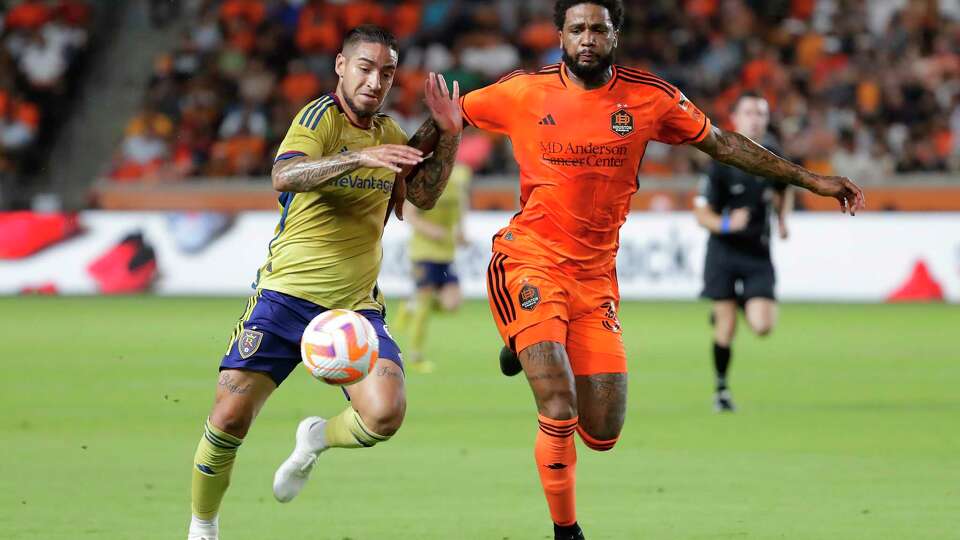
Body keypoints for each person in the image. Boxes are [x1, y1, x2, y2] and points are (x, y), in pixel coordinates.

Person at [459, 2, 864, 538]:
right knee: (557, 403)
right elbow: (449, 117)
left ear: (615, 34)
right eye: (576, 29)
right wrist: (409, 168)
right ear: (560, 33)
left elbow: (721, 143)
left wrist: (808, 179)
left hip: (595, 277)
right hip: (529, 258)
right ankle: (566, 530)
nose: (586, 39)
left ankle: (525, 342)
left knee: (602, 432)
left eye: (598, 29)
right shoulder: (520, 91)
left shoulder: (648, 98)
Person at [186, 25, 462, 540]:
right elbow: (284, 175)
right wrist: (359, 158)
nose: (376, 81)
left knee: (385, 415)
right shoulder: (317, 119)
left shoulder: (391, 134)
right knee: (227, 420)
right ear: (340, 65)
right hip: (285, 299)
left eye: (386, 72)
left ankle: (315, 439)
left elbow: (422, 196)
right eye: (365, 67)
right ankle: (203, 527)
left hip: (355, 309)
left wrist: (449, 131)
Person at [693, 92, 793, 412]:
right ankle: (721, 390)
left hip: (757, 253)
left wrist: (782, 220)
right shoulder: (721, 158)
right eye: (749, 112)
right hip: (723, 252)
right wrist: (725, 224)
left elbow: (784, 188)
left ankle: (735, 303)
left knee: (763, 326)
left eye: (762, 113)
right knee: (726, 328)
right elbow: (700, 213)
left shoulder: (774, 155)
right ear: (735, 117)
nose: (756, 119)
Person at [395, 161, 471, 373]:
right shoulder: (424, 180)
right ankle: (416, 356)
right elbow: (409, 214)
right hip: (423, 251)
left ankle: (410, 307)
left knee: (452, 304)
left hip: (446, 252)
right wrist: (430, 231)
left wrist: (461, 230)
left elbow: (462, 203)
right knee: (426, 301)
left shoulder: (459, 176)